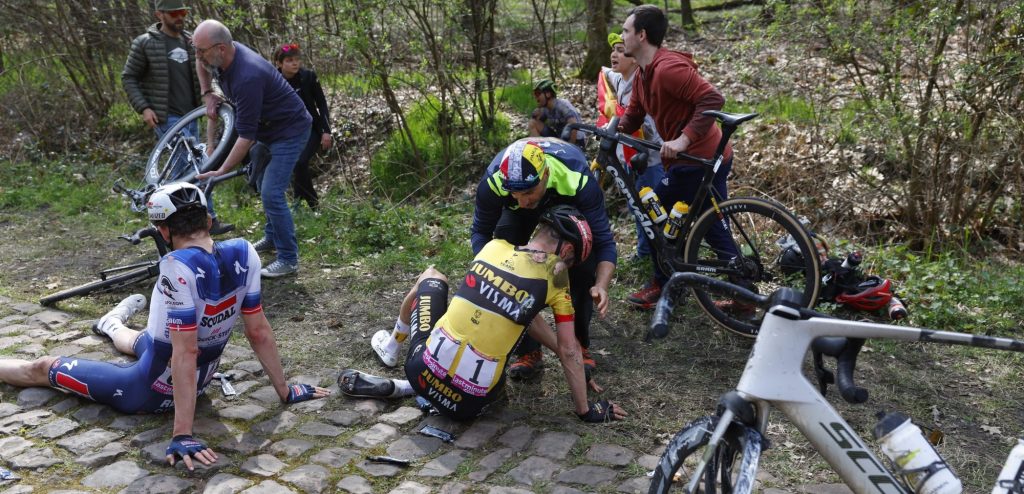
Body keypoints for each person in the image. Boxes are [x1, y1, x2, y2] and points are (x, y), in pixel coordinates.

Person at [0, 182, 330, 471]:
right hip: (199, 382)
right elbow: (257, 332)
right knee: (144, 340)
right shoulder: (246, 252)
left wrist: (182, 434)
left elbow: (184, 352)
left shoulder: (174, 266)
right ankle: (111, 323)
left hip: (145, 392)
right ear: (210, 222)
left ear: (163, 232)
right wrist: (285, 392)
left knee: (41, 368)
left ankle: (109, 326)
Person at [343, 206, 627, 423]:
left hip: (421, 372)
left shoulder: (494, 246)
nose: (568, 266)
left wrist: (573, 363)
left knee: (432, 275)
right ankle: (415, 383)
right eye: (571, 260)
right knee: (507, 328)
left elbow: (524, 315)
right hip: (474, 402)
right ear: (566, 249)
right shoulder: (555, 281)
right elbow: (568, 350)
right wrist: (586, 410)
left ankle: (394, 348)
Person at [617, 5, 739, 310]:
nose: (622, 37)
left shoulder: (668, 69)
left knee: (660, 212)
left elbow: (712, 98)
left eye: (626, 31)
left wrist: (682, 139)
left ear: (641, 36)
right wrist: (606, 130)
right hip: (696, 160)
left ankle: (665, 284)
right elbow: (633, 115)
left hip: (699, 159)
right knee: (695, 222)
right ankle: (729, 287)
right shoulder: (644, 73)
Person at [470, 138, 616, 379]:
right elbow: (480, 232)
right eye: (515, 193)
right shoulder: (495, 183)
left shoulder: (578, 180)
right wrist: (491, 268)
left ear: (546, 173)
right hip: (517, 214)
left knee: (581, 264)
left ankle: (580, 344)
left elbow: (604, 242)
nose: (524, 200)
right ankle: (527, 351)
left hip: (565, 201)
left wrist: (600, 285)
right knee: (509, 258)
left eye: (528, 191)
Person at [193, 20, 313, 278]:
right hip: (268, 130)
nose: (198, 56)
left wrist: (221, 169)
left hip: (290, 131)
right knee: (259, 180)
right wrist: (207, 92)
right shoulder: (215, 58)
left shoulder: (248, 75)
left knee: (271, 192)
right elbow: (200, 64)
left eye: (201, 50)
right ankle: (272, 237)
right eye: (196, 50)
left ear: (221, 48)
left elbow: (245, 136)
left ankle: (288, 258)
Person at [121, 0, 232, 235]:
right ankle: (204, 221)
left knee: (191, 169)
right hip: (167, 119)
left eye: (183, 12)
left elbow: (208, 73)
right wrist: (144, 108)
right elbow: (129, 77)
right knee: (192, 168)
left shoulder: (192, 41)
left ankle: (178, 221)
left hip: (192, 115)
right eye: (174, 13)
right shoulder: (145, 43)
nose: (180, 17)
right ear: (159, 14)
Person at [597, 31, 665, 260]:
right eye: (612, 50)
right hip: (627, 156)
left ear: (635, 58)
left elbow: (652, 126)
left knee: (653, 206)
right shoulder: (619, 79)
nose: (613, 55)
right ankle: (644, 252)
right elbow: (605, 73)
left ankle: (661, 253)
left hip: (650, 159)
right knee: (635, 205)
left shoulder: (643, 82)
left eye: (620, 50)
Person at [272, 42, 332, 210]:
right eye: (290, 60)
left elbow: (322, 104)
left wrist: (326, 131)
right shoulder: (273, 80)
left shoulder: (308, 77)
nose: (295, 63)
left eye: (297, 59)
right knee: (297, 165)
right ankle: (300, 204)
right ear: (279, 63)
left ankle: (312, 205)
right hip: (286, 132)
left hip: (312, 129)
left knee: (300, 162)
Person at [528, 79, 583, 147]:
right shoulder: (545, 109)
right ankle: (538, 150)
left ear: (548, 94)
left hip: (576, 141)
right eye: (535, 95)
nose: (536, 98)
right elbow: (536, 125)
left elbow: (574, 125)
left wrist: (570, 147)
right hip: (560, 138)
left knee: (571, 127)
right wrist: (535, 115)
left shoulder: (562, 105)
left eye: (538, 94)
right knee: (532, 123)